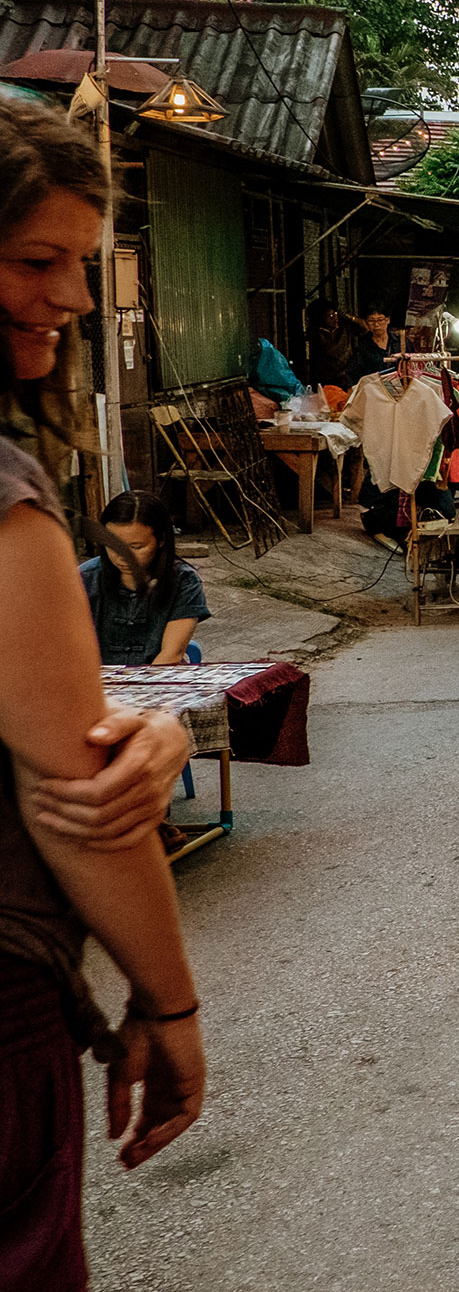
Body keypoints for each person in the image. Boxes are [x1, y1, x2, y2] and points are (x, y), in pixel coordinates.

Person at [0, 97, 215, 1286]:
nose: (75, 300)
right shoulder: (5, 504)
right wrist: (170, 1005)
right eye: (37, 261)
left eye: (80, 266)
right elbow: (71, 790)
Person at [79, 490, 211, 665]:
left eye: (136, 547)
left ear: (161, 540)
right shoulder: (84, 579)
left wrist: (139, 689)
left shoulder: (184, 581)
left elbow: (172, 653)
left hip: (159, 680)